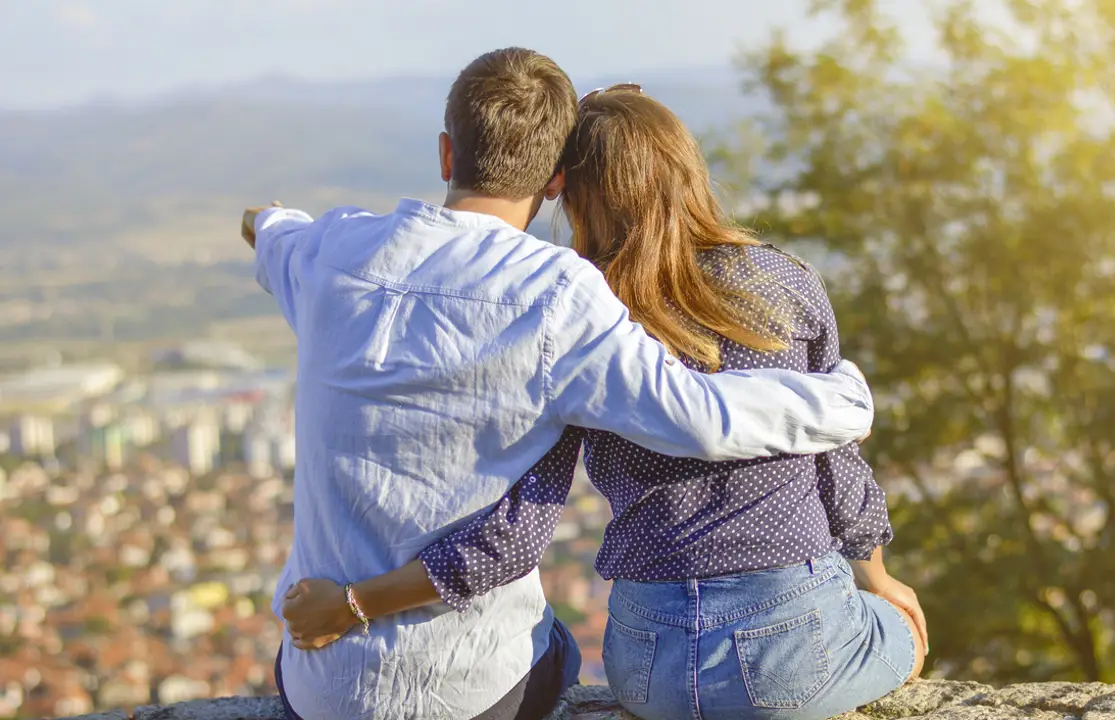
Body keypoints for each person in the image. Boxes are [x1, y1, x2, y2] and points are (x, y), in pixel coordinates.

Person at [242, 49, 877, 720]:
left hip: (318, 686)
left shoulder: (329, 249)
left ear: (445, 155)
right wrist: (840, 398)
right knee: (560, 649)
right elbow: (696, 415)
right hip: (474, 692)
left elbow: (269, 229)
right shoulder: (559, 294)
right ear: (552, 183)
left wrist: (265, 221)